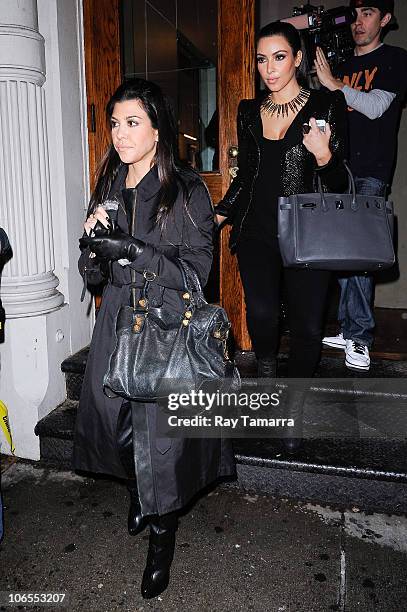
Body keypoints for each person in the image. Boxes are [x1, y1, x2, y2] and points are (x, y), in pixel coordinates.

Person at [74, 78, 235, 599]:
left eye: (132, 122)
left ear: (157, 127)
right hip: (116, 321)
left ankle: (161, 534)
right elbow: (93, 276)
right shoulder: (110, 185)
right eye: (115, 123)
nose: (120, 134)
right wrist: (94, 247)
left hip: (163, 326)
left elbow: (198, 273)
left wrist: (136, 251)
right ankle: (140, 490)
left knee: (158, 443)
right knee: (109, 423)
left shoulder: (185, 190)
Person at [215, 20, 348, 451]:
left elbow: (341, 184)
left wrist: (324, 155)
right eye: (261, 59)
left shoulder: (326, 105)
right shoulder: (249, 111)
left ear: (297, 59)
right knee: (264, 317)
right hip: (256, 230)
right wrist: (218, 214)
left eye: (279, 57)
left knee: (308, 327)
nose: (269, 69)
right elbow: (246, 176)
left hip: (308, 235)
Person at [315, 0, 407, 371]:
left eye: (368, 14)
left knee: (360, 252)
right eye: (355, 14)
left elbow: (376, 106)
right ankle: (350, 326)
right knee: (340, 249)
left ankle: (360, 336)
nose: (358, 22)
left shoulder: (395, 59)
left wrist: (335, 86)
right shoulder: (341, 63)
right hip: (338, 168)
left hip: (371, 169)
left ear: (385, 19)